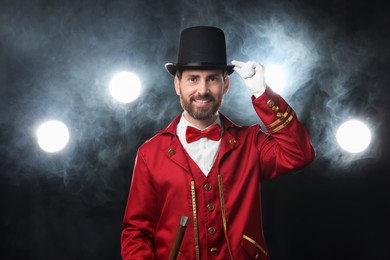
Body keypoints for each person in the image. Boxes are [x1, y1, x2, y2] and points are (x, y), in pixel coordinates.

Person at [121, 26, 315, 259]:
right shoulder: (149, 153)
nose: (202, 90)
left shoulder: (251, 143)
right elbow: (136, 232)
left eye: (212, 79)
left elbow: (300, 154)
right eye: (193, 79)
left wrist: (262, 93)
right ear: (177, 85)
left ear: (226, 85)